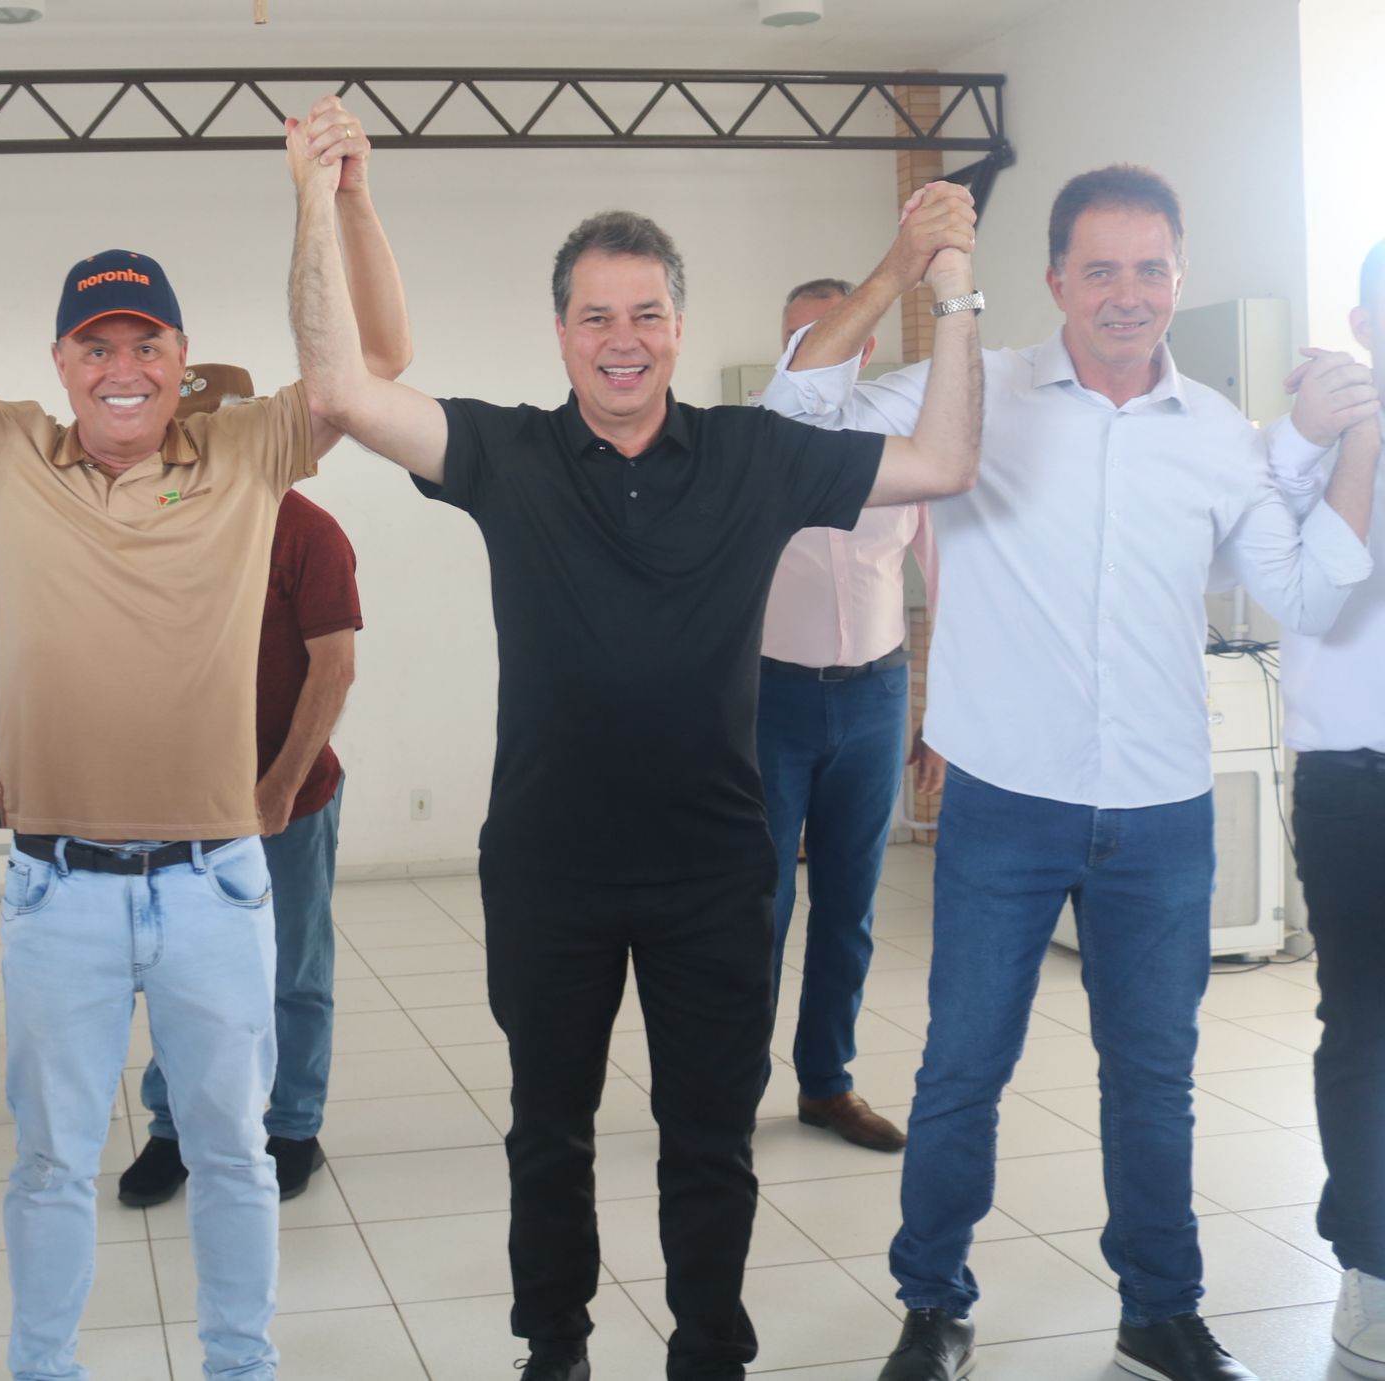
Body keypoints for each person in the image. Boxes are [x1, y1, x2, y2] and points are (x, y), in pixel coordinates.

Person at [287, 88, 985, 1375]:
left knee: (708, 1138)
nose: (623, 340)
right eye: (596, 316)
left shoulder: (751, 455)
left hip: (711, 874)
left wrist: (952, 295)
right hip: (547, 871)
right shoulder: (504, 454)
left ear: (678, 328)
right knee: (547, 1133)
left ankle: (708, 1351)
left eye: (646, 314)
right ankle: (553, 1347)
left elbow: (941, 462)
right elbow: (338, 385)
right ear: (559, 333)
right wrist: (318, 202)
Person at [0, 87, 408, 1381]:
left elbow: (374, 362)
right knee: (48, 1161)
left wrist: (336, 199)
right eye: (96, 345)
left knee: (234, 1151)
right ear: (61, 362)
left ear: (181, 355)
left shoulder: (247, 451)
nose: (122, 366)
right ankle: (44, 1367)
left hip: (214, 885)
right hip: (57, 889)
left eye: (146, 342)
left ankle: (241, 1364)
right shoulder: (5, 451)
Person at [763, 165, 1379, 1381]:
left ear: (1177, 278)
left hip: (1160, 812)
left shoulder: (1216, 436)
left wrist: (1353, 435)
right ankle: (932, 1304)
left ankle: (1158, 1315)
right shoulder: (971, 389)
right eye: (1099, 269)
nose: (1125, 294)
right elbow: (796, 410)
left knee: (1152, 1082)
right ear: (1052, 280)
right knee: (961, 1071)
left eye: (1149, 268)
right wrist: (899, 270)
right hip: (1005, 801)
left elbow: (1309, 592)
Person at [117, 363, 362, 1208]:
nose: (200, 451)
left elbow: (333, 669)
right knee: (181, 971)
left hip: (287, 797)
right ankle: (174, 1128)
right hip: (181, 800)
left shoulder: (306, 532)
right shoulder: (157, 524)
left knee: (292, 969)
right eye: (186, 436)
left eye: (219, 432)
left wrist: (279, 786)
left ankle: (292, 1124)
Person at [759, 276, 944, 1155]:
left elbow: (945, 580)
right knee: (757, 902)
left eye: (831, 336)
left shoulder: (904, 453)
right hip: (771, 700)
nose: (815, 355)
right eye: (798, 340)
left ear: (865, 346)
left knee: (849, 903)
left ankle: (826, 1082)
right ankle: (731, 1086)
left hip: (875, 696)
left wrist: (943, 715)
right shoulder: (755, 445)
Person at [1264, 238, 1385, 1380]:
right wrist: (1331, 431)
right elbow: (1283, 575)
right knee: (1364, 1026)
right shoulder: (1303, 437)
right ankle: (1372, 1268)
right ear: (1361, 322)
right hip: (1356, 778)